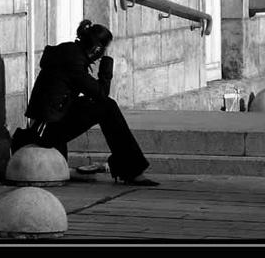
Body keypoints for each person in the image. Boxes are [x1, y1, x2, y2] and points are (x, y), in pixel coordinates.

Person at [17, 18, 159, 186]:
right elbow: (101, 94)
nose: (100, 56)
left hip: (51, 120)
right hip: (47, 130)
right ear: (97, 49)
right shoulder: (74, 62)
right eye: (103, 51)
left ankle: (128, 166)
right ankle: (131, 169)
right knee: (107, 106)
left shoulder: (69, 53)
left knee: (106, 106)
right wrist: (106, 63)